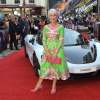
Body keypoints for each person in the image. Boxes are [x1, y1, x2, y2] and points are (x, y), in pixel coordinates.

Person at [32, 9, 69, 94]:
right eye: (51, 15)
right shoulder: (45, 27)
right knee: (44, 67)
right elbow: (44, 40)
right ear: (49, 16)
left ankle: (53, 86)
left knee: (55, 68)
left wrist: (56, 51)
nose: (53, 17)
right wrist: (47, 50)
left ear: (57, 16)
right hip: (47, 51)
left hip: (57, 51)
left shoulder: (61, 27)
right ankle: (38, 85)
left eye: (54, 15)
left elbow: (61, 40)